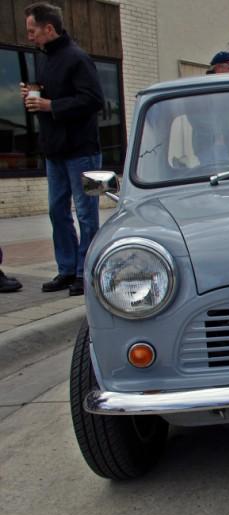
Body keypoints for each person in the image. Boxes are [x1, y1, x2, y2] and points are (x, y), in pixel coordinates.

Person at [19, 3, 104, 296]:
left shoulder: (78, 59)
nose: (29, 37)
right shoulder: (44, 60)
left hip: (82, 151)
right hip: (54, 152)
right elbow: (49, 100)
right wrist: (34, 98)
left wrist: (50, 105)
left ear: (49, 29)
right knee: (57, 212)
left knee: (86, 213)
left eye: (33, 31)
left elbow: (94, 100)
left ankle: (86, 272)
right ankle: (67, 270)